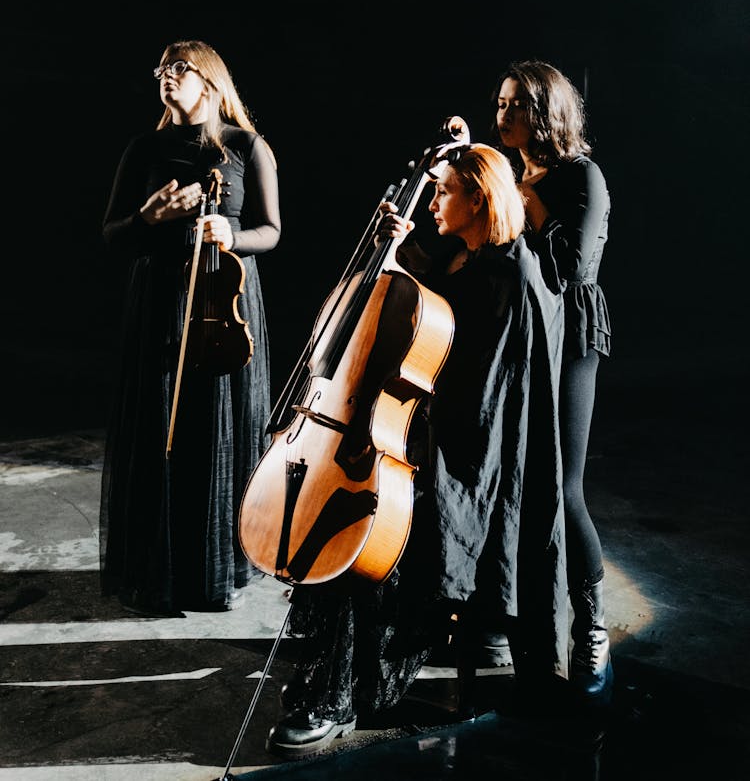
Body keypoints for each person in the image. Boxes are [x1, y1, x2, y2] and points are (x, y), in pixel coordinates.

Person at [264, 140, 569, 759]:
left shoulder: (507, 278)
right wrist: (394, 250)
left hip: (462, 469)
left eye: (443, 192)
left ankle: (339, 693)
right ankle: (329, 667)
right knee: (348, 511)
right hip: (416, 445)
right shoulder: (458, 257)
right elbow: (406, 315)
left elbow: (480, 408)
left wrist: (399, 447)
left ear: (479, 198)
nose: (433, 202)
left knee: (369, 524)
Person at [99, 39, 281, 615]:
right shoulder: (143, 148)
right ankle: (161, 568)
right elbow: (113, 234)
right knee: (159, 428)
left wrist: (232, 236)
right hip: (159, 300)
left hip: (223, 302)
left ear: (208, 79)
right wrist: (148, 218)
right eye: (161, 69)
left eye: (178, 68)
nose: (165, 76)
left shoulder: (246, 147)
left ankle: (214, 569)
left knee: (215, 425)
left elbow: (271, 230)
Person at [493, 59, 613, 703]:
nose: (502, 114)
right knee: (508, 477)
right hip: (512, 340)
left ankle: (592, 629)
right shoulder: (502, 168)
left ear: (546, 110)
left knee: (563, 487)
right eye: (500, 103)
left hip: (568, 340)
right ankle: (502, 617)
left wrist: (529, 200)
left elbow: (572, 269)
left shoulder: (580, 177)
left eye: (515, 104)